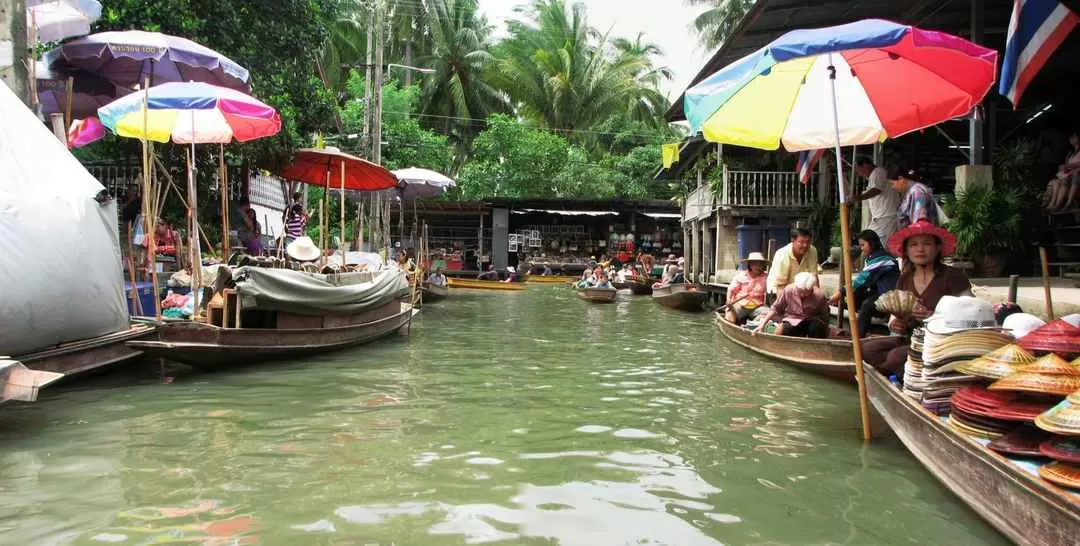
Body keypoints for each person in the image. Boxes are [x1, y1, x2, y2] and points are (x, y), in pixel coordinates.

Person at [862, 220, 972, 375]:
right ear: (906, 250)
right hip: (912, 338)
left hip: (941, 343)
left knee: (896, 357)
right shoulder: (905, 278)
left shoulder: (953, 277)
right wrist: (895, 324)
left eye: (927, 244)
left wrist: (932, 317)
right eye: (913, 245)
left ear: (937, 248)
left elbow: (971, 318)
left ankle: (885, 378)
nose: (920, 249)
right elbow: (895, 312)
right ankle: (887, 376)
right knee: (866, 349)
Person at [829, 230, 899, 337]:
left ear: (872, 243)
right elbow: (865, 283)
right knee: (854, 297)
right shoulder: (873, 258)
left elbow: (861, 280)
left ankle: (858, 337)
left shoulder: (882, 259)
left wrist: (840, 292)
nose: (861, 248)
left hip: (889, 297)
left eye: (863, 245)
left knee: (867, 305)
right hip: (879, 293)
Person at [753, 272, 829, 338]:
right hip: (793, 320)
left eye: (806, 292)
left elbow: (825, 314)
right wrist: (762, 324)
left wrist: (825, 330)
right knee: (782, 330)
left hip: (811, 320)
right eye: (800, 291)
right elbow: (776, 308)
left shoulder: (819, 295)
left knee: (817, 327)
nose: (802, 294)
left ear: (811, 288)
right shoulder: (788, 290)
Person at [850, 157, 900, 244]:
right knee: (869, 241)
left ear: (865, 165)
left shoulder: (878, 172)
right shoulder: (874, 174)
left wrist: (859, 197)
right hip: (880, 217)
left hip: (886, 216)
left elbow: (876, 190)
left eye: (857, 168)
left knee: (883, 243)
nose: (856, 172)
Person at [766, 228, 819, 294]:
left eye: (807, 242)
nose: (805, 245)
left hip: (800, 291)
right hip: (778, 291)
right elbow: (780, 286)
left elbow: (814, 276)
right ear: (793, 240)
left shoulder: (812, 250)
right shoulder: (782, 254)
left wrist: (818, 297)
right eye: (801, 242)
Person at [725, 252, 768, 325]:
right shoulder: (741, 276)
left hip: (757, 306)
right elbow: (731, 289)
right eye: (755, 264)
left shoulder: (766, 277)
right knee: (730, 312)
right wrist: (729, 300)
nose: (758, 267)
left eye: (760, 264)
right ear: (750, 265)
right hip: (740, 305)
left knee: (768, 315)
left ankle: (752, 325)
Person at [1046, 130, 1080, 211]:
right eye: (1071, 138)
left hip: (1075, 175)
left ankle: (1065, 204)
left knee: (1068, 179)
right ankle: (1054, 204)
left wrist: (1067, 166)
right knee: (1054, 182)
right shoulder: (1070, 153)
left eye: (1074, 137)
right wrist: (1063, 168)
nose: (1071, 139)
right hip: (1068, 175)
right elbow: (1066, 167)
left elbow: (1077, 164)